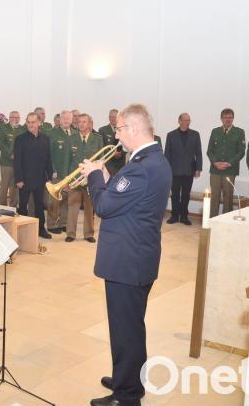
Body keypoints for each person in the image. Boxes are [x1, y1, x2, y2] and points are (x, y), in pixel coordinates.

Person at [81, 104, 171, 406]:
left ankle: (126, 396)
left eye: (119, 129)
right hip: (138, 257)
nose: (116, 135)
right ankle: (127, 379)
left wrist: (95, 176)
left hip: (127, 262)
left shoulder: (140, 167)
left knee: (125, 331)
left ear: (132, 128)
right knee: (131, 326)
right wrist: (108, 177)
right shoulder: (155, 160)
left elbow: (105, 207)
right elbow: (125, 197)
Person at [14, 112, 54, 239]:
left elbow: (48, 159)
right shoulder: (20, 139)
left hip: (40, 179)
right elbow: (17, 161)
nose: (31, 124)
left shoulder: (45, 139)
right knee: (23, 207)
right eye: (28, 122)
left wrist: (50, 175)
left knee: (39, 206)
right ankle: (21, 231)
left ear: (39, 123)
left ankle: (41, 229)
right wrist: (19, 179)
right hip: (24, 180)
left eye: (33, 122)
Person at [67, 114, 103, 243]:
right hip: (75, 178)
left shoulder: (98, 139)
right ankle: (70, 233)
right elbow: (67, 160)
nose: (81, 124)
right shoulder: (71, 138)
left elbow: (100, 159)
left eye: (84, 122)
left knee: (89, 207)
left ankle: (88, 234)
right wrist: (67, 180)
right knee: (73, 206)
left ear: (90, 123)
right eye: (79, 122)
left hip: (91, 178)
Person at [163, 113, 203, 225]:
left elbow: (198, 153)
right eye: (185, 120)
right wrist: (166, 169)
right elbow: (167, 153)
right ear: (179, 121)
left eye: (189, 120)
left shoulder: (195, 135)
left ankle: (184, 216)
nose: (187, 122)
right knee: (175, 194)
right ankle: (174, 215)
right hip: (174, 170)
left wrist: (198, 168)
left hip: (189, 170)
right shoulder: (171, 135)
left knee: (186, 194)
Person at [207, 108, 246, 217]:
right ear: (221, 119)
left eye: (230, 117)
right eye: (225, 118)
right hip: (215, 170)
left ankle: (226, 221)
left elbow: (241, 152)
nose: (228, 120)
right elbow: (209, 151)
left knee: (228, 197)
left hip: (230, 170)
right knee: (214, 196)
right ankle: (212, 220)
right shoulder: (215, 131)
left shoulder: (239, 132)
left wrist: (229, 163)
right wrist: (215, 163)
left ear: (233, 118)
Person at [47, 111, 75, 234]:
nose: (66, 120)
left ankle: (63, 223)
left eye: (68, 118)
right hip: (57, 173)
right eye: (64, 118)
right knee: (54, 200)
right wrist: (52, 170)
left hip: (70, 173)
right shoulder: (52, 133)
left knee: (66, 199)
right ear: (59, 119)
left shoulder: (75, 133)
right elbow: (47, 155)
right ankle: (52, 224)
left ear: (72, 119)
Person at [0, 110, 22, 207]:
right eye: (13, 117)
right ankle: (1, 206)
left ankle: (13, 207)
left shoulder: (22, 129)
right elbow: (1, 144)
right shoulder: (3, 128)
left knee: (15, 186)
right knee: (5, 185)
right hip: (6, 163)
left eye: (17, 118)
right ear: (9, 118)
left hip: (18, 163)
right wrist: (10, 155)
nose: (15, 119)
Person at [98, 109, 125, 176]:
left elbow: (127, 144)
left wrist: (121, 153)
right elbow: (101, 146)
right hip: (108, 162)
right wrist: (113, 153)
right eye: (111, 117)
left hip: (121, 162)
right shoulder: (102, 130)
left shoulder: (124, 129)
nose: (112, 119)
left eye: (114, 117)